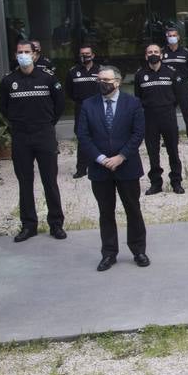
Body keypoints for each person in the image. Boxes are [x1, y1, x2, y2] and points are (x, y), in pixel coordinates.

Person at [75, 66, 149, 271]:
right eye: (99, 80)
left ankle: (138, 250)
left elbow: (138, 133)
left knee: (133, 209)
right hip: (100, 169)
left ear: (117, 81)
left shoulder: (132, 103)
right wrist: (100, 158)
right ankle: (109, 253)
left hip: (127, 166)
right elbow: (83, 135)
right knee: (105, 211)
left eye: (106, 80)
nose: (102, 83)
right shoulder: (88, 105)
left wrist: (121, 156)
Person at [0, 40, 67, 242]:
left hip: (44, 134)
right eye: (19, 52)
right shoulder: (8, 80)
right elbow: (3, 107)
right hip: (20, 136)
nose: (23, 55)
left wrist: (46, 123)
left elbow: (60, 104)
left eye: (27, 51)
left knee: (50, 181)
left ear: (35, 55)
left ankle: (56, 224)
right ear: (15, 55)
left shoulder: (48, 78)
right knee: (25, 183)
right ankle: (29, 225)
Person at [133, 44, 185, 196]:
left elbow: (177, 96)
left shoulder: (171, 72)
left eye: (156, 52)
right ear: (146, 56)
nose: (153, 54)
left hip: (168, 115)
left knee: (173, 151)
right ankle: (156, 183)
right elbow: (138, 97)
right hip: (149, 117)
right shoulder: (140, 75)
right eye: (150, 52)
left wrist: (167, 106)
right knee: (152, 153)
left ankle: (176, 182)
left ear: (161, 55)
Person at [67, 43, 103, 178]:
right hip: (81, 107)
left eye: (87, 54)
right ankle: (81, 169)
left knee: (99, 136)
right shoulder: (73, 71)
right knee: (82, 137)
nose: (85, 56)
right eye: (82, 54)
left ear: (93, 55)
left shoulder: (100, 70)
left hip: (98, 107)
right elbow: (69, 91)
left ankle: (100, 164)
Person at [162, 26, 188, 146]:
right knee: (168, 114)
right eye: (169, 36)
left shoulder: (186, 52)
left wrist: (182, 78)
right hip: (167, 88)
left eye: (174, 35)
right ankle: (170, 138)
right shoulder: (162, 52)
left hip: (181, 86)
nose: (172, 38)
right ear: (166, 37)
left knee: (186, 112)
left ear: (178, 37)